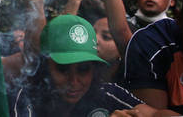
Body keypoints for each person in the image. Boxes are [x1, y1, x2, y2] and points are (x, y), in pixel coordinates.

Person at [14, 14, 159, 117]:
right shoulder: (27, 99)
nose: (74, 81)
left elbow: (157, 114)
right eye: (63, 69)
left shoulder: (106, 94)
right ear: (44, 68)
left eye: (83, 69)